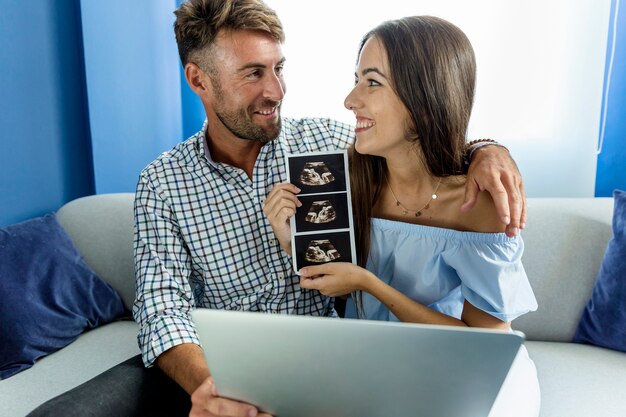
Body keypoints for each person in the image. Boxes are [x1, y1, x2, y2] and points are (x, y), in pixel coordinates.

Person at [27, 2, 526, 417]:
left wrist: (487, 150)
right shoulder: (162, 182)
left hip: (320, 357)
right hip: (217, 360)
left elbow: (419, 144)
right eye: (252, 74)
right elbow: (162, 306)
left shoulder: (328, 146)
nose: (276, 91)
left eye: (278, 69)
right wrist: (206, 388)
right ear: (199, 80)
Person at [264, 15, 540, 417]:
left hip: (461, 367)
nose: (350, 99)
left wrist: (371, 285)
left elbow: (485, 345)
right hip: (372, 362)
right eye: (356, 78)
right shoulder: (348, 173)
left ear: (425, 100)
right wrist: (292, 240)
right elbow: (335, 283)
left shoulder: (478, 204)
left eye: (372, 82)